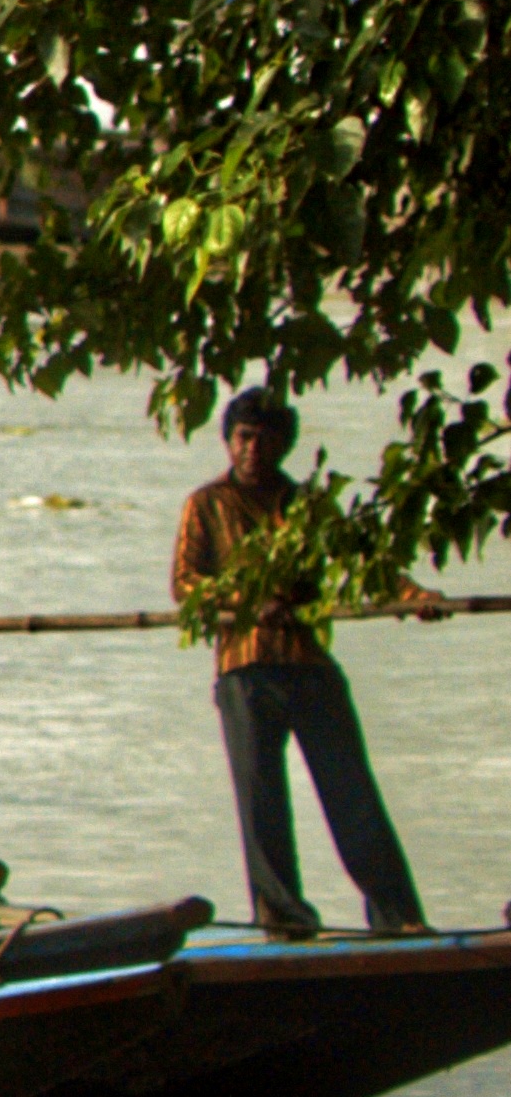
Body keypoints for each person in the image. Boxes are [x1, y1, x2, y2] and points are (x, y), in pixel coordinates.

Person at [175, 389, 440, 941]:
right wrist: (247, 605)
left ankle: (398, 918)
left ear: (284, 445)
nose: (253, 449)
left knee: (353, 796)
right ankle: (284, 921)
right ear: (228, 440)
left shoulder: (309, 506)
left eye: (266, 438)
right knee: (262, 805)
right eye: (244, 437)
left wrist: (413, 596)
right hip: (244, 672)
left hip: (307, 665)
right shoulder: (205, 505)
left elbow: (362, 561)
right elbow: (186, 586)